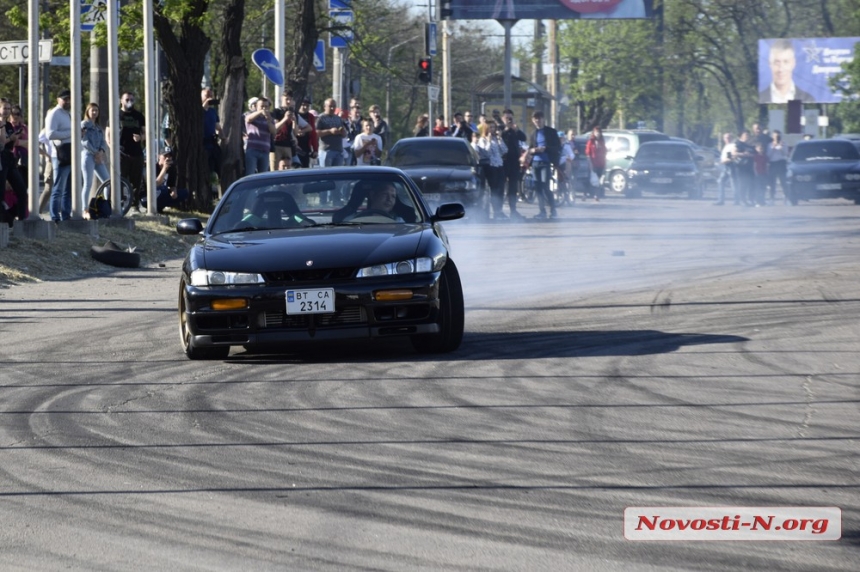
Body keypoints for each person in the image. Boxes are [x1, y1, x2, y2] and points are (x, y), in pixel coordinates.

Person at [107, 91, 145, 209]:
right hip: (121, 153)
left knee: (136, 182)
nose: (129, 102)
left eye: (132, 100)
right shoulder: (115, 115)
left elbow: (146, 133)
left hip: (136, 153)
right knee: (119, 180)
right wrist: (113, 150)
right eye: (127, 99)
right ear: (121, 101)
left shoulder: (138, 116)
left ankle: (134, 206)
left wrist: (141, 137)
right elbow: (107, 134)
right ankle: (118, 205)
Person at [526, 111, 561, 220]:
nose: (537, 120)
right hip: (535, 163)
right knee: (538, 188)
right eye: (535, 119)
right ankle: (542, 212)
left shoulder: (551, 132)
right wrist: (533, 150)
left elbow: (558, 148)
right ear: (533, 120)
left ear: (543, 119)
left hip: (545, 162)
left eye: (539, 118)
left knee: (546, 187)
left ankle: (553, 211)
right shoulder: (533, 133)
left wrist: (546, 148)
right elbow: (530, 148)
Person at [45, 89, 73, 223]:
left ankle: (66, 215)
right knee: (58, 188)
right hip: (60, 155)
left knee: (69, 188)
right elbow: (50, 134)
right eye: (65, 99)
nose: (67, 101)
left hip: (71, 154)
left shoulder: (69, 114)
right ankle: (55, 217)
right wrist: (70, 133)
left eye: (69, 99)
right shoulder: (54, 114)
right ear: (58, 99)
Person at [759, 39, 815, 104]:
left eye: (786, 62)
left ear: (793, 63)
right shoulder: (761, 97)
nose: (781, 69)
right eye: (777, 62)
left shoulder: (807, 99)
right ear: (770, 64)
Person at [80, 103, 110, 218]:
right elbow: (84, 141)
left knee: (107, 182)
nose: (94, 113)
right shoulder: (84, 125)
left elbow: (103, 141)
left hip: (98, 156)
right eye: (92, 110)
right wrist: (95, 153)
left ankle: (108, 205)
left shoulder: (97, 127)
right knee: (88, 183)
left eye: (96, 111)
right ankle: (85, 209)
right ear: (87, 111)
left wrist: (101, 152)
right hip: (88, 156)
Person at [0, 99, 28, 223]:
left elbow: (12, 143)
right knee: (1, 193)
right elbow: (2, 143)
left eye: (8, 108)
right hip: (1, 158)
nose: (6, 111)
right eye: (4, 108)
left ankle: (22, 221)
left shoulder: (9, 125)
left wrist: (15, 137)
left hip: (10, 159)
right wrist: (9, 138)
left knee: (21, 191)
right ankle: (4, 222)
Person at [474, 122, 508, 220]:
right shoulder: (482, 140)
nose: (492, 129)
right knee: (494, 189)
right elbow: (485, 153)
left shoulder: (496, 139)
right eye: (490, 127)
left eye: (494, 127)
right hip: (491, 166)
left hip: (499, 165)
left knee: (501, 189)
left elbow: (505, 150)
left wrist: (500, 139)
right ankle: (496, 211)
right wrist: (488, 141)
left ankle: (499, 210)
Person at [500, 109, 526, 219]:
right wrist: (506, 128)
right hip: (503, 162)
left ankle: (513, 211)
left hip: (514, 162)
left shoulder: (515, 130)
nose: (509, 120)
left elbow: (523, 138)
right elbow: (499, 136)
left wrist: (516, 130)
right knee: (501, 187)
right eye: (507, 118)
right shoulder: (500, 129)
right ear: (503, 119)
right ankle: (499, 211)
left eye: (510, 118)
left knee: (513, 187)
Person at [243, 96, 276, 176]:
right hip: (252, 149)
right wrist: (260, 112)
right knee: (250, 174)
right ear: (257, 107)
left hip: (265, 151)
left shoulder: (270, 119)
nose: (264, 108)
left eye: (266, 106)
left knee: (263, 175)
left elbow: (274, 131)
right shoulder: (250, 114)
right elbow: (248, 119)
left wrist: (268, 121)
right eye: (262, 106)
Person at [315, 98, 347, 167]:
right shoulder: (320, 118)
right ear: (324, 107)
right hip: (326, 151)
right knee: (326, 173)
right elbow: (316, 133)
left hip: (338, 150)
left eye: (334, 106)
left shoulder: (338, 118)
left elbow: (344, 134)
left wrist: (342, 132)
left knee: (337, 175)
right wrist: (330, 131)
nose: (332, 108)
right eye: (330, 106)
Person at [201, 87, 222, 184]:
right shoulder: (199, 110)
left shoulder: (213, 111)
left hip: (212, 143)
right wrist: (204, 106)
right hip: (202, 144)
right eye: (207, 96)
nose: (209, 98)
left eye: (211, 96)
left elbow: (217, 125)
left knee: (217, 166)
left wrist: (223, 136)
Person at [713, 132, 737, 206]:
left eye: (729, 137)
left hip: (730, 165)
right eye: (726, 138)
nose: (727, 139)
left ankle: (736, 200)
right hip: (726, 166)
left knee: (733, 184)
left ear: (732, 138)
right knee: (721, 181)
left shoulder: (732, 145)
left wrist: (722, 162)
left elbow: (730, 157)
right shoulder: (726, 146)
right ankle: (721, 200)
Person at [733, 130, 756, 206]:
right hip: (741, 167)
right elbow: (734, 153)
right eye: (745, 134)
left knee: (752, 184)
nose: (747, 136)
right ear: (741, 135)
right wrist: (743, 154)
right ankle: (742, 200)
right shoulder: (738, 143)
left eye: (748, 135)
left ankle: (751, 199)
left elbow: (755, 154)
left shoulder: (750, 145)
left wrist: (752, 155)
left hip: (750, 167)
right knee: (743, 184)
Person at [585, 125, 607, 201]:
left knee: (599, 180)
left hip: (601, 163)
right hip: (593, 163)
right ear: (594, 133)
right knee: (591, 180)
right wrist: (590, 163)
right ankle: (586, 194)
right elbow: (588, 153)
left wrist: (605, 163)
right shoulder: (591, 141)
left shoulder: (602, 141)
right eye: (596, 132)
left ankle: (596, 195)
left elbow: (604, 152)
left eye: (599, 132)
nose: (598, 134)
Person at [295, 97, 318, 168]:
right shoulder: (295, 115)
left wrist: (315, 149)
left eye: (307, 106)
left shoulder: (310, 116)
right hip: (296, 145)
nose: (305, 107)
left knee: (305, 166)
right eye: (303, 105)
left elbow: (313, 132)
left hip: (306, 146)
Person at [767, 130, 789, 204]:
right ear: (773, 137)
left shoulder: (784, 144)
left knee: (783, 181)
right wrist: (773, 147)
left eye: (778, 136)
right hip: (773, 164)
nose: (777, 138)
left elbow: (785, 154)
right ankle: (772, 198)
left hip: (781, 163)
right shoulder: (769, 145)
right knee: (772, 182)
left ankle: (786, 197)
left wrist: (781, 148)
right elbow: (768, 156)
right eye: (775, 136)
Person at [752, 142, 769, 206]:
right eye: (759, 148)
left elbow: (767, 165)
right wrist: (755, 173)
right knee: (758, 188)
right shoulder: (755, 156)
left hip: (764, 174)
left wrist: (767, 173)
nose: (761, 149)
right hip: (758, 174)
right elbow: (754, 165)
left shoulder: (765, 156)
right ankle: (758, 201)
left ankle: (763, 201)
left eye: (762, 148)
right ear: (756, 149)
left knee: (763, 188)